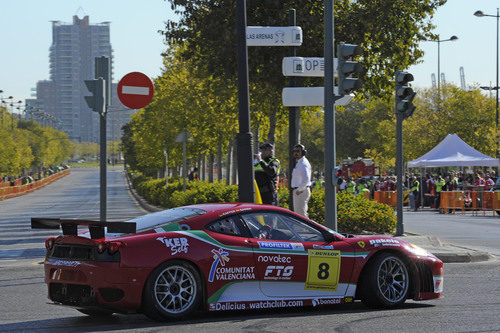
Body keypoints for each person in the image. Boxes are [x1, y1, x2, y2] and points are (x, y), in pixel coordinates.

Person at [291, 144, 312, 217]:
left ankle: (304, 229)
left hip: (301, 191)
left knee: (301, 214)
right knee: (299, 214)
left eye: (298, 151)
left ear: (303, 152)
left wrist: (299, 189)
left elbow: (306, 178)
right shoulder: (299, 162)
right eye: (294, 151)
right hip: (300, 191)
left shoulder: (303, 163)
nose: (296, 153)